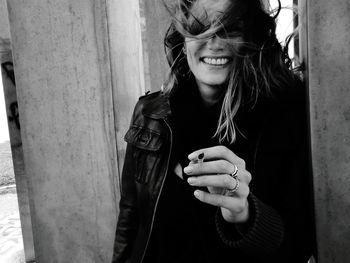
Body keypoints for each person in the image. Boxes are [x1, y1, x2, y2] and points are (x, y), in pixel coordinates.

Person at [112, 0, 315, 262]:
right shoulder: (150, 113)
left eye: (230, 29)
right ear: (183, 40)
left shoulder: (285, 117)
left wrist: (246, 214)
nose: (215, 42)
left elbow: (298, 243)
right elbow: (130, 217)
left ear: (248, 38)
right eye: (200, 28)